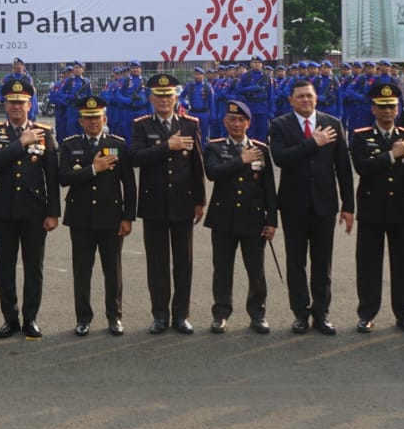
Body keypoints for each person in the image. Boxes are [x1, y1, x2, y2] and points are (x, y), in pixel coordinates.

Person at [269, 79, 355, 335]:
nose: (306, 100)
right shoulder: (280, 124)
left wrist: (348, 205)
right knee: (295, 262)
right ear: (291, 100)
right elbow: (281, 158)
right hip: (293, 205)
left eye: (309, 96)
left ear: (316, 98)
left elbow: (343, 168)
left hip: (325, 204)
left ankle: (321, 313)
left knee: (322, 262)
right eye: (300, 96)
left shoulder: (332, 123)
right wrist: (313, 143)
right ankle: (300, 313)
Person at [0, 79, 60, 340]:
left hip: (34, 210)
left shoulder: (44, 131)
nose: (16, 106)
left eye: (21, 102)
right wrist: (22, 142)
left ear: (30, 104)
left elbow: (51, 175)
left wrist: (53, 212)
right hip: (4, 210)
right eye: (11, 102)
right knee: (5, 265)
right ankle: (9, 318)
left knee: (33, 267)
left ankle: (30, 318)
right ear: (5, 104)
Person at [131, 72, 206, 334]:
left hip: (183, 203)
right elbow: (135, 158)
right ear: (151, 98)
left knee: (183, 263)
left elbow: (197, 166)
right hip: (154, 204)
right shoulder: (141, 125)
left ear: (176, 97)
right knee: (157, 263)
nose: (164, 100)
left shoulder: (189, 124)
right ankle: (160, 315)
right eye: (159, 96)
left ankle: (181, 315)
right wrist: (167, 146)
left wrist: (200, 200)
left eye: (168, 96)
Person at [59, 94, 136, 336]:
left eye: (97, 118)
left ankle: (115, 316)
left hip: (111, 217)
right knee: (82, 271)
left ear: (105, 118)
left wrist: (128, 217)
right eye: (88, 118)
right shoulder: (70, 145)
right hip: (80, 217)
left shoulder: (118, 144)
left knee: (113, 270)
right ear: (80, 121)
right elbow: (63, 178)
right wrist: (93, 169)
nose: (93, 122)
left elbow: (129, 185)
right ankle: (83, 317)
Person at [349, 81, 404, 333]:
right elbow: (362, 167)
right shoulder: (360, 136)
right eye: (382, 106)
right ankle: (367, 313)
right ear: (373, 109)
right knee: (369, 263)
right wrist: (392, 154)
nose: (387, 111)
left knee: (403, 263)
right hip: (372, 209)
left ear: (398, 108)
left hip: (400, 209)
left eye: (392, 106)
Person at [202, 100, 278, 334]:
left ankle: (257, 314)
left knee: (256, 271)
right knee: (222, 270)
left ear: (249, 123)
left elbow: (269, 188)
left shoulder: (261, 149)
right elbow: (213, 173)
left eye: (241, 120)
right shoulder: (215, 147)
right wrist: (241, 160)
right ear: (225, 122)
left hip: (252, 219)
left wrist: (271, 221)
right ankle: (221, 314)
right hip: (223, 219)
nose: (237, 124)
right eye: (232, 120)